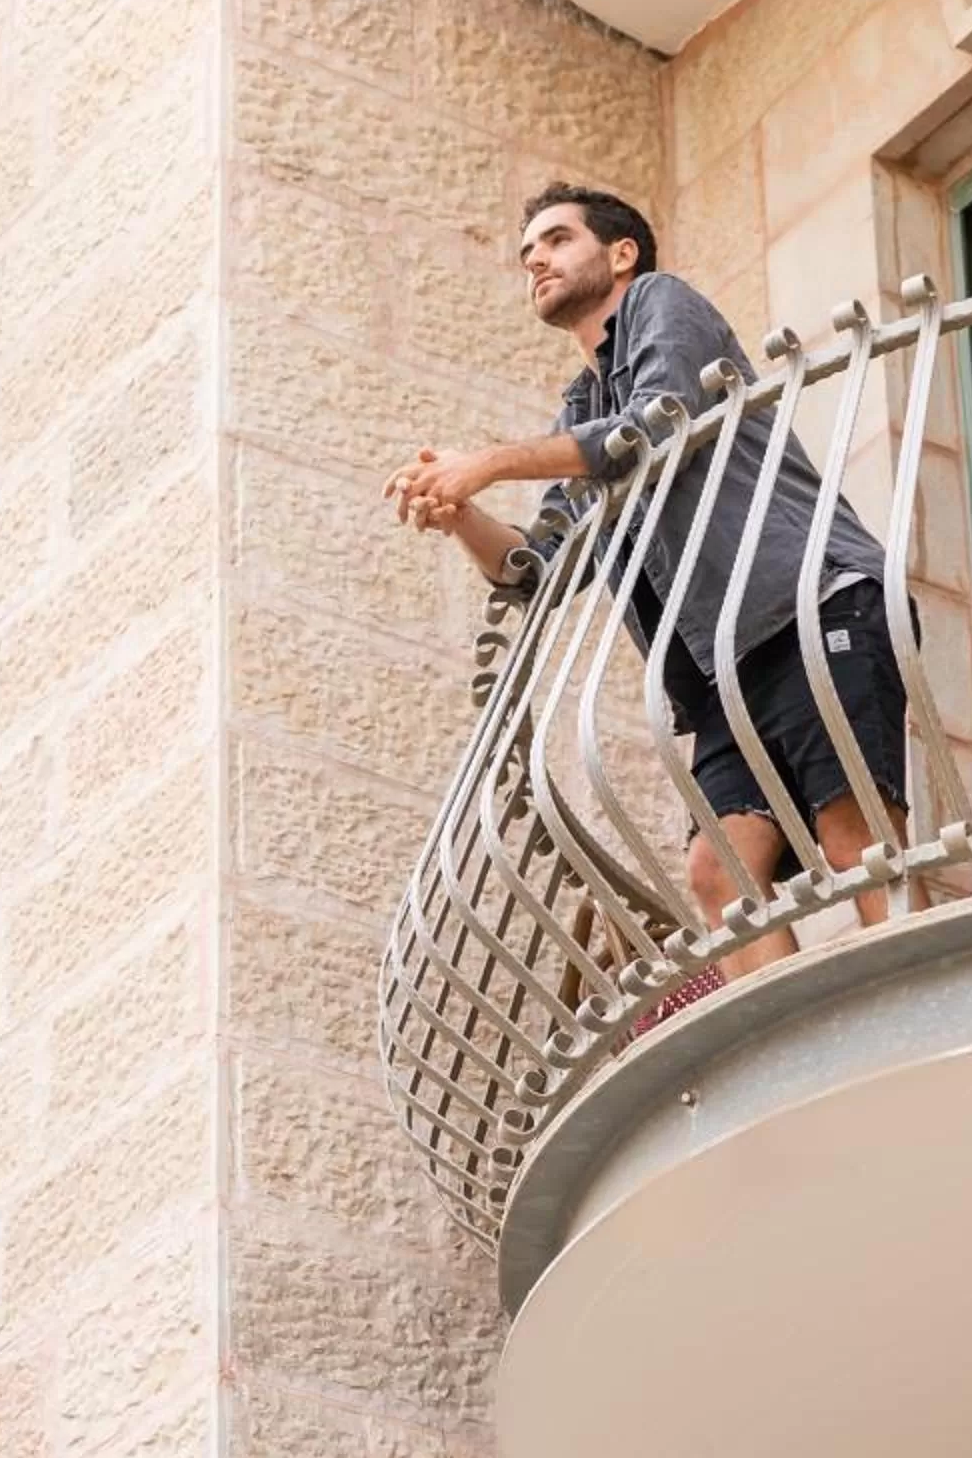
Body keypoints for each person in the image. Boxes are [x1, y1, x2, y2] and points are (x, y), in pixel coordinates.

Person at [385, 183, 910, 981]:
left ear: (620, 253)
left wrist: (489, 461)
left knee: (855, 839)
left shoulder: (663, 304)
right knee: (719, 874)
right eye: (528, 254)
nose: (536, 261)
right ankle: (786, 1045)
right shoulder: (580, 404)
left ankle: (915, 1002)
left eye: (556, 240)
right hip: (722, 672)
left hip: (805, 602)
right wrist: (460, 514)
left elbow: (656, 422)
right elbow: (541, 570)